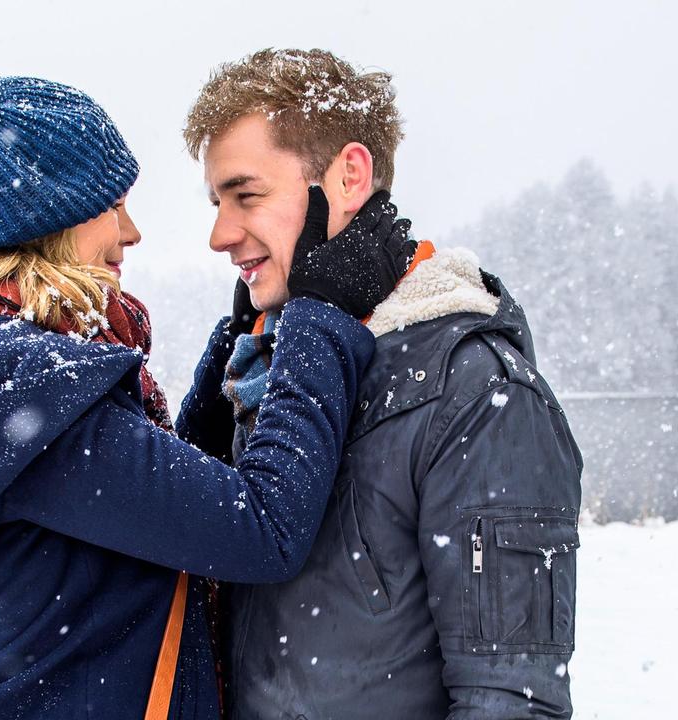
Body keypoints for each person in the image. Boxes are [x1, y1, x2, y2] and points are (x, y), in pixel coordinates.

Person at [0, 76, 405, 719]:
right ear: (43, 217)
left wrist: (240, 334)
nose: (131, 231)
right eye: (112, 205)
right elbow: (262, 529)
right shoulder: (15, 383)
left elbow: (155, 513)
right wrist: (322, 315)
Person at [181, 49, 584, 718]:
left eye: (245, 195)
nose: (220, 234)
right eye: (216, 201)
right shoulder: (266, 375)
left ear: (349, 177)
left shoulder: (477, 391)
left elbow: (510, 700)